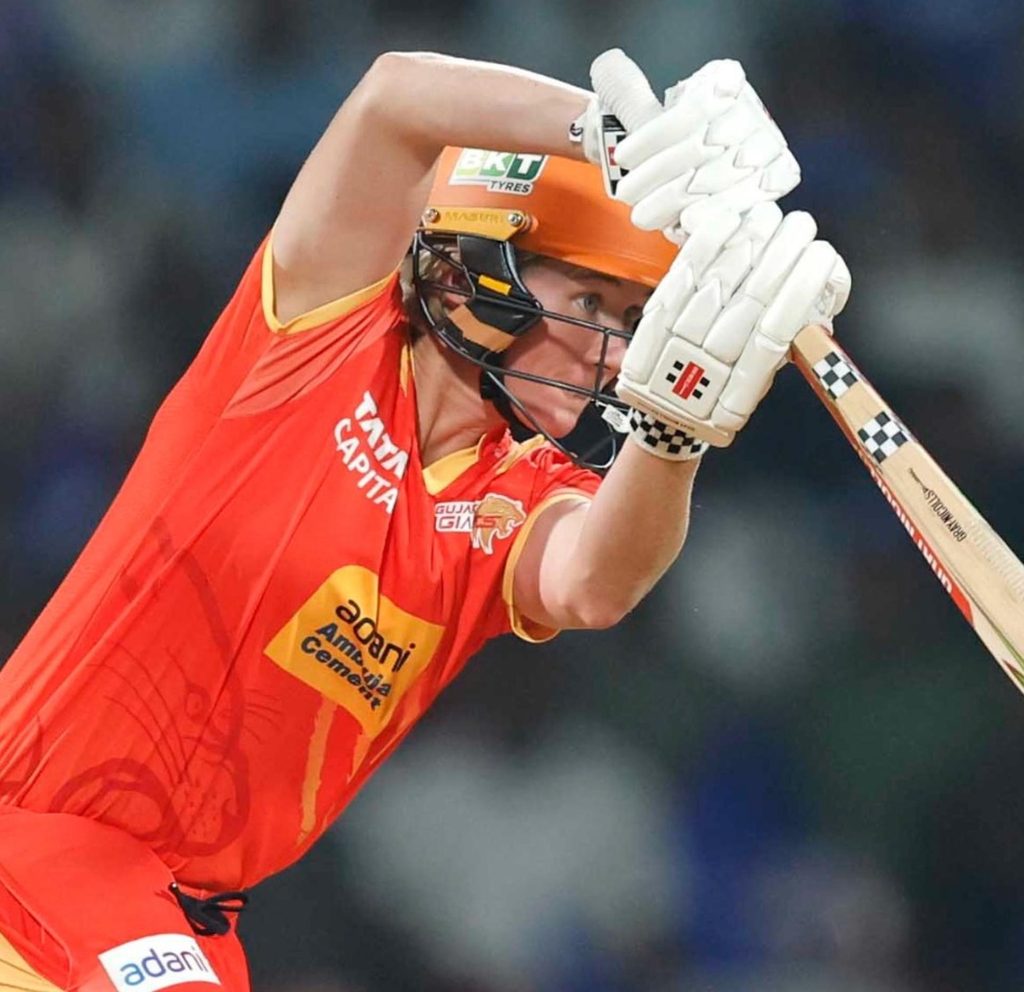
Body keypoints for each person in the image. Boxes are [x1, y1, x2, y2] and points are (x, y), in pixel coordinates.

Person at [0, 49, 848, 991]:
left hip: (182, 919)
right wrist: (611, 138)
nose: (616, 353)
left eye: (636, 318)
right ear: (479, 265)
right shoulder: (320, 334)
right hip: (35, 846)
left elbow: (597, 584)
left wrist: (673, 434)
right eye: (592, 301)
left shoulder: (519, 493)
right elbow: (393, 99)